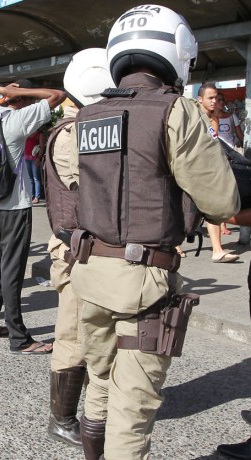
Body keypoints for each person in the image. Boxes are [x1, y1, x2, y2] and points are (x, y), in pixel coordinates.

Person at [71, 6, 239, 459]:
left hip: (90, 274)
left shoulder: (90, 114)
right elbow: (221, 202)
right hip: (144, 281)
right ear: (177, 52)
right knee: (134, 407)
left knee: (101, 382)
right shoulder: (175, 111)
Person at [42, 47, 115, 447]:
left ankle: (86, 409)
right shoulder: (73, 133)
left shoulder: (87, 126)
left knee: (89, 332)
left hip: (85, 246)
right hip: (75, 249)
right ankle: (62, 418)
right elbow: (87, 193)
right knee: (72, 333)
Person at [0, 79, 65, 353]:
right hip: (15, 207)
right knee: (11, 271)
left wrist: (6, 93)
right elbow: (57, 95)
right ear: (22, 99)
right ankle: (19, 338)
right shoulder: (18, 119)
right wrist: (20, 91)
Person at [197, 84, 241, 262]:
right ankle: (174, 246)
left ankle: (217, 249)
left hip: (210, 169)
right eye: (211, 98)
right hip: (191, 169)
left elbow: (211, 144)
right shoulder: (193, 117)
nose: (215, 101)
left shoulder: (213, 119)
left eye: (217, 98)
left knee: (213, 206)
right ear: (200, 99)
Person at [24, 130, 43, 204]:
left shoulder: (39, 134)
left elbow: (41, 147)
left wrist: (39, 158)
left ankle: (37, 197)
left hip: (34, 159)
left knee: (36, 178)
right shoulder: (27, 132)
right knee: (30, 179)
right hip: (26, 158)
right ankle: (31, 195)